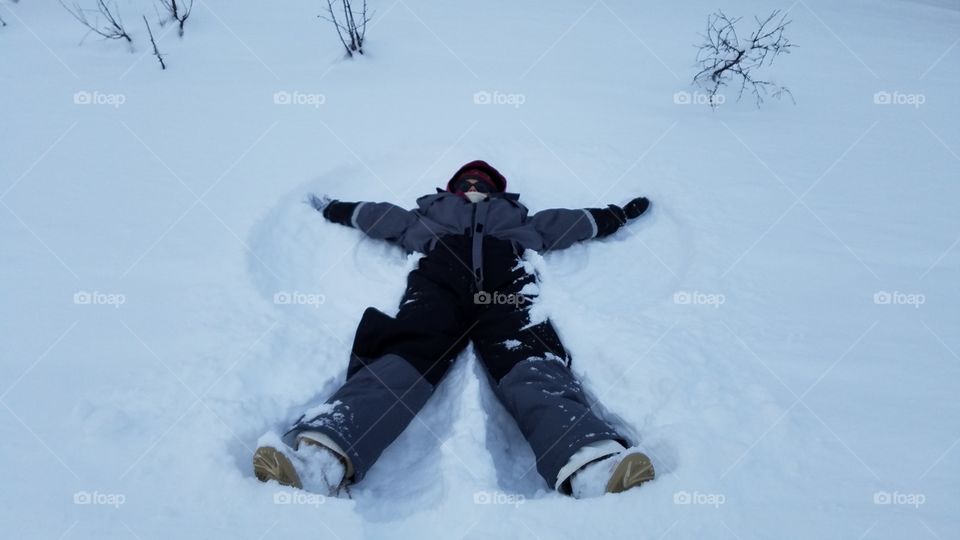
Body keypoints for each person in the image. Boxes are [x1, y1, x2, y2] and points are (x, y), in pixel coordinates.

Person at [253, 160, 654, 498]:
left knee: (529, 358)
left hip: (507, 284)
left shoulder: (519, 219)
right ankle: (319, 461)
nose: (475, 184)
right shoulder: (428, 214)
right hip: (437, 282)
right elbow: (380, 217)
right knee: (405, 354)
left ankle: (592, 463)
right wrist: (335, 208)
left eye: (484, 181)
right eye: (467, 181)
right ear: (453, 188)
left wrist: (619, 214)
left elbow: (569, 223)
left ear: (499, 191)